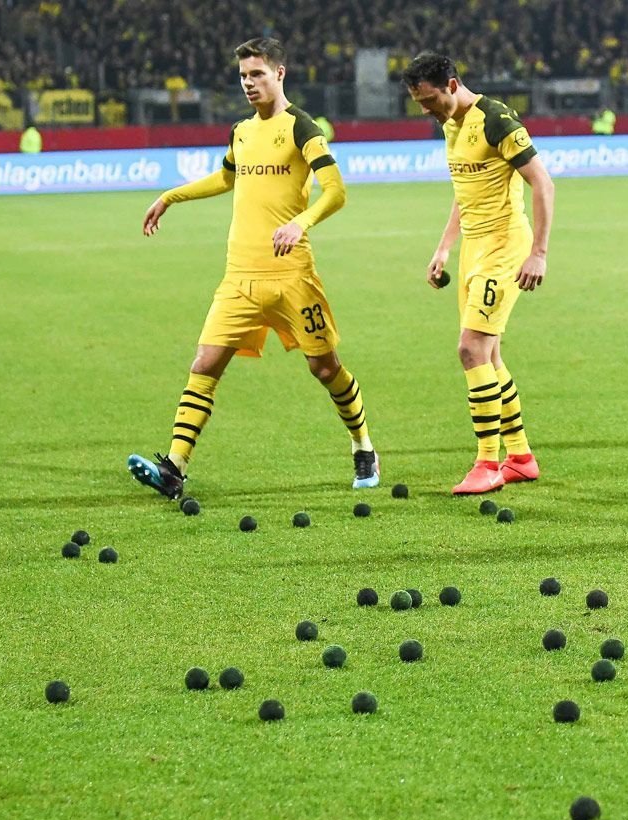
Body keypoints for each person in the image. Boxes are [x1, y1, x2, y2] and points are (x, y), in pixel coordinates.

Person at [129, 37, 376, 499]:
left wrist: (300, 223)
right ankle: (174, 468)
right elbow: (225, 177)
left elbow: (336, 191)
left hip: (291, 278)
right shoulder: (241, 132)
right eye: (243, 75)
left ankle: (362, 445)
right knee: (204, 365)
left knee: (325, 369)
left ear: (279, 74)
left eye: (257, 74)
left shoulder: (302, 127)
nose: (248, 83)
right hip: (238, 277)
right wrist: (169, 196)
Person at [403, 52, 555, 495]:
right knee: (488, 355)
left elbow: (543, 183)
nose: (425, 110)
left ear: (451, 85)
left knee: (470, 349)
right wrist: (445, 247)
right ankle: (521, 457)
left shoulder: (496, 119)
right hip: (474, 248)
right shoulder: (450, 124)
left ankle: (488, 463)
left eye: (429, 99)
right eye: (418, 102)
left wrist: (539, 253)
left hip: (506, 247)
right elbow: (465, 190)